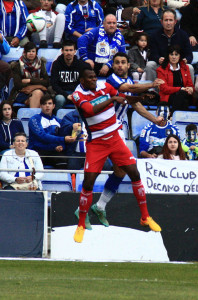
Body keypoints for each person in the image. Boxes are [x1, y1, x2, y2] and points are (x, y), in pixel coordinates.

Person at [71, 68, 162, 243]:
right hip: (96, 142)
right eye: (90, 77)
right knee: (88, 182)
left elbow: (125, 98)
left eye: (95, 76)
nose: (94, 80)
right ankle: (81, 224)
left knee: (134, 173)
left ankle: (145, 217)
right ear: (81, 79)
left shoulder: (104, 85)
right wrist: (112, 99)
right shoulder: (77, 94)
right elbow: (89, 110)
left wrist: (141, 98)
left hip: (114, 137)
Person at [145, 9, 194, 83]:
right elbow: (152, 54)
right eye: (166, 20)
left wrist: (186, 60)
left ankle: (189, 92)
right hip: (161, 65)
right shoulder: (154, 35)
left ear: (175, 22)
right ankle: (151, 92)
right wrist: (158, 59)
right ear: (161, 22)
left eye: (171, 20)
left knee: (189, 67)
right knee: (150, 65)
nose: (168, 23)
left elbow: (189, 55)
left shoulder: (183, 35)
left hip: (178, 65)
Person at [28, 94, 76, 168]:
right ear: (40, 106)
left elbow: (63, 133)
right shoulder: (34, 119)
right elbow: (42, 137)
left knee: (65, 162)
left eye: (49, 103)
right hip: (37, 151)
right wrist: (62, 140)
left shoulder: (58, 121)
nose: (47, 106)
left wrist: (61, 146)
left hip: (53, 151)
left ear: (53, 106)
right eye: (44, 104)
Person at [50, 40, 91, 112]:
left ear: (75, 51)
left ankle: (81, 121)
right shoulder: (56, 64)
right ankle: (56, 119)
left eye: (71, 50)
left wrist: (76, 93)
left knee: (82, 99)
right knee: (59, 99)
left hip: (77, 92)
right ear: (62, 51)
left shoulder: (81, 65)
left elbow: (88, 78)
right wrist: (66, 95)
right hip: (62, 93)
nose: (68, 53)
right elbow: (54, 84)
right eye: (66, 50)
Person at [8, 42, 49, 108]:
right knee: (38, 95)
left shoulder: (41, 64)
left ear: (36, 53)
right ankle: (35, 116)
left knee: (37, 93)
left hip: (39, 91)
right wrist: (40, 85)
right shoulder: (17, 65)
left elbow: (47, 82)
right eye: (29, 51)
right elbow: (18, 85)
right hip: (22, 93)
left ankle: (31, 108)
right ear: (24, 52)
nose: (31, 53)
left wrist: (29, 81)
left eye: (33, 51)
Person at [156, 45, 194, 113]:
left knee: (183, 95)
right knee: (183, 98)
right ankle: (176, 117)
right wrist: (180, 89)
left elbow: (190, 84)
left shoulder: (185, 68)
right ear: (168, 56)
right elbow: (164, 89)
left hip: (184, 94)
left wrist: (190, 89)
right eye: (171, 54)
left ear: (180, 56)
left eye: (176, 54)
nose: (174, 57)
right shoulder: (161, 70)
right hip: (169, 96)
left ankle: (173, 117)